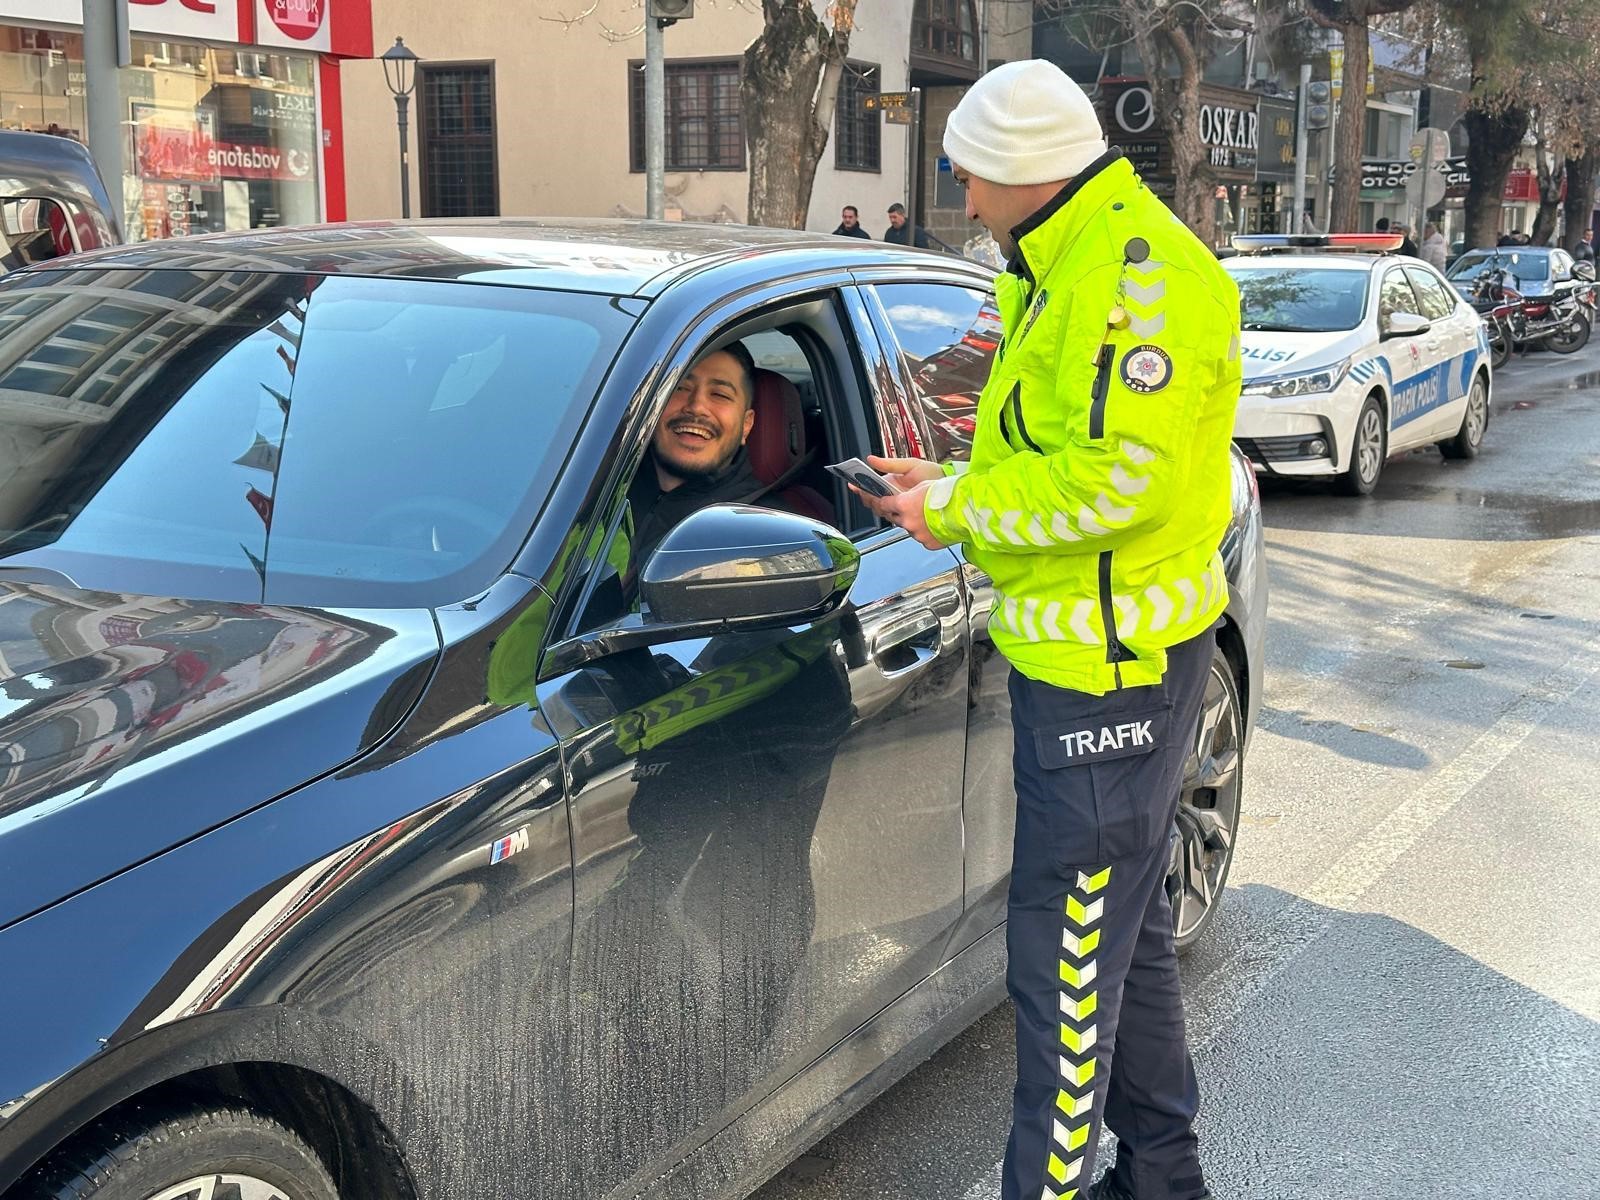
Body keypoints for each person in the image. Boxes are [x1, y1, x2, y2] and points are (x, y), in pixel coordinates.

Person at [853, 60, 1236, 1200]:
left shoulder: (1134, 281)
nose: (961, 197)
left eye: (968, 175)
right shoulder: (1063, 261)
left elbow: (1125, 482)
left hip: (1112, 670)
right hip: (1082, 654)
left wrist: (958, 511)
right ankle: (1164, 1178)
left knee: (1063, 963)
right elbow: (1062, 449)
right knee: (1121, 932)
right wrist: (958, 477)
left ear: (1023, 175)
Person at [628, 341, 763, 562]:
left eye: (720, 394)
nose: (696, 406)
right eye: (679, 387)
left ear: (746, 425)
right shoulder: (589, 488)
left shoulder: (763, 529)